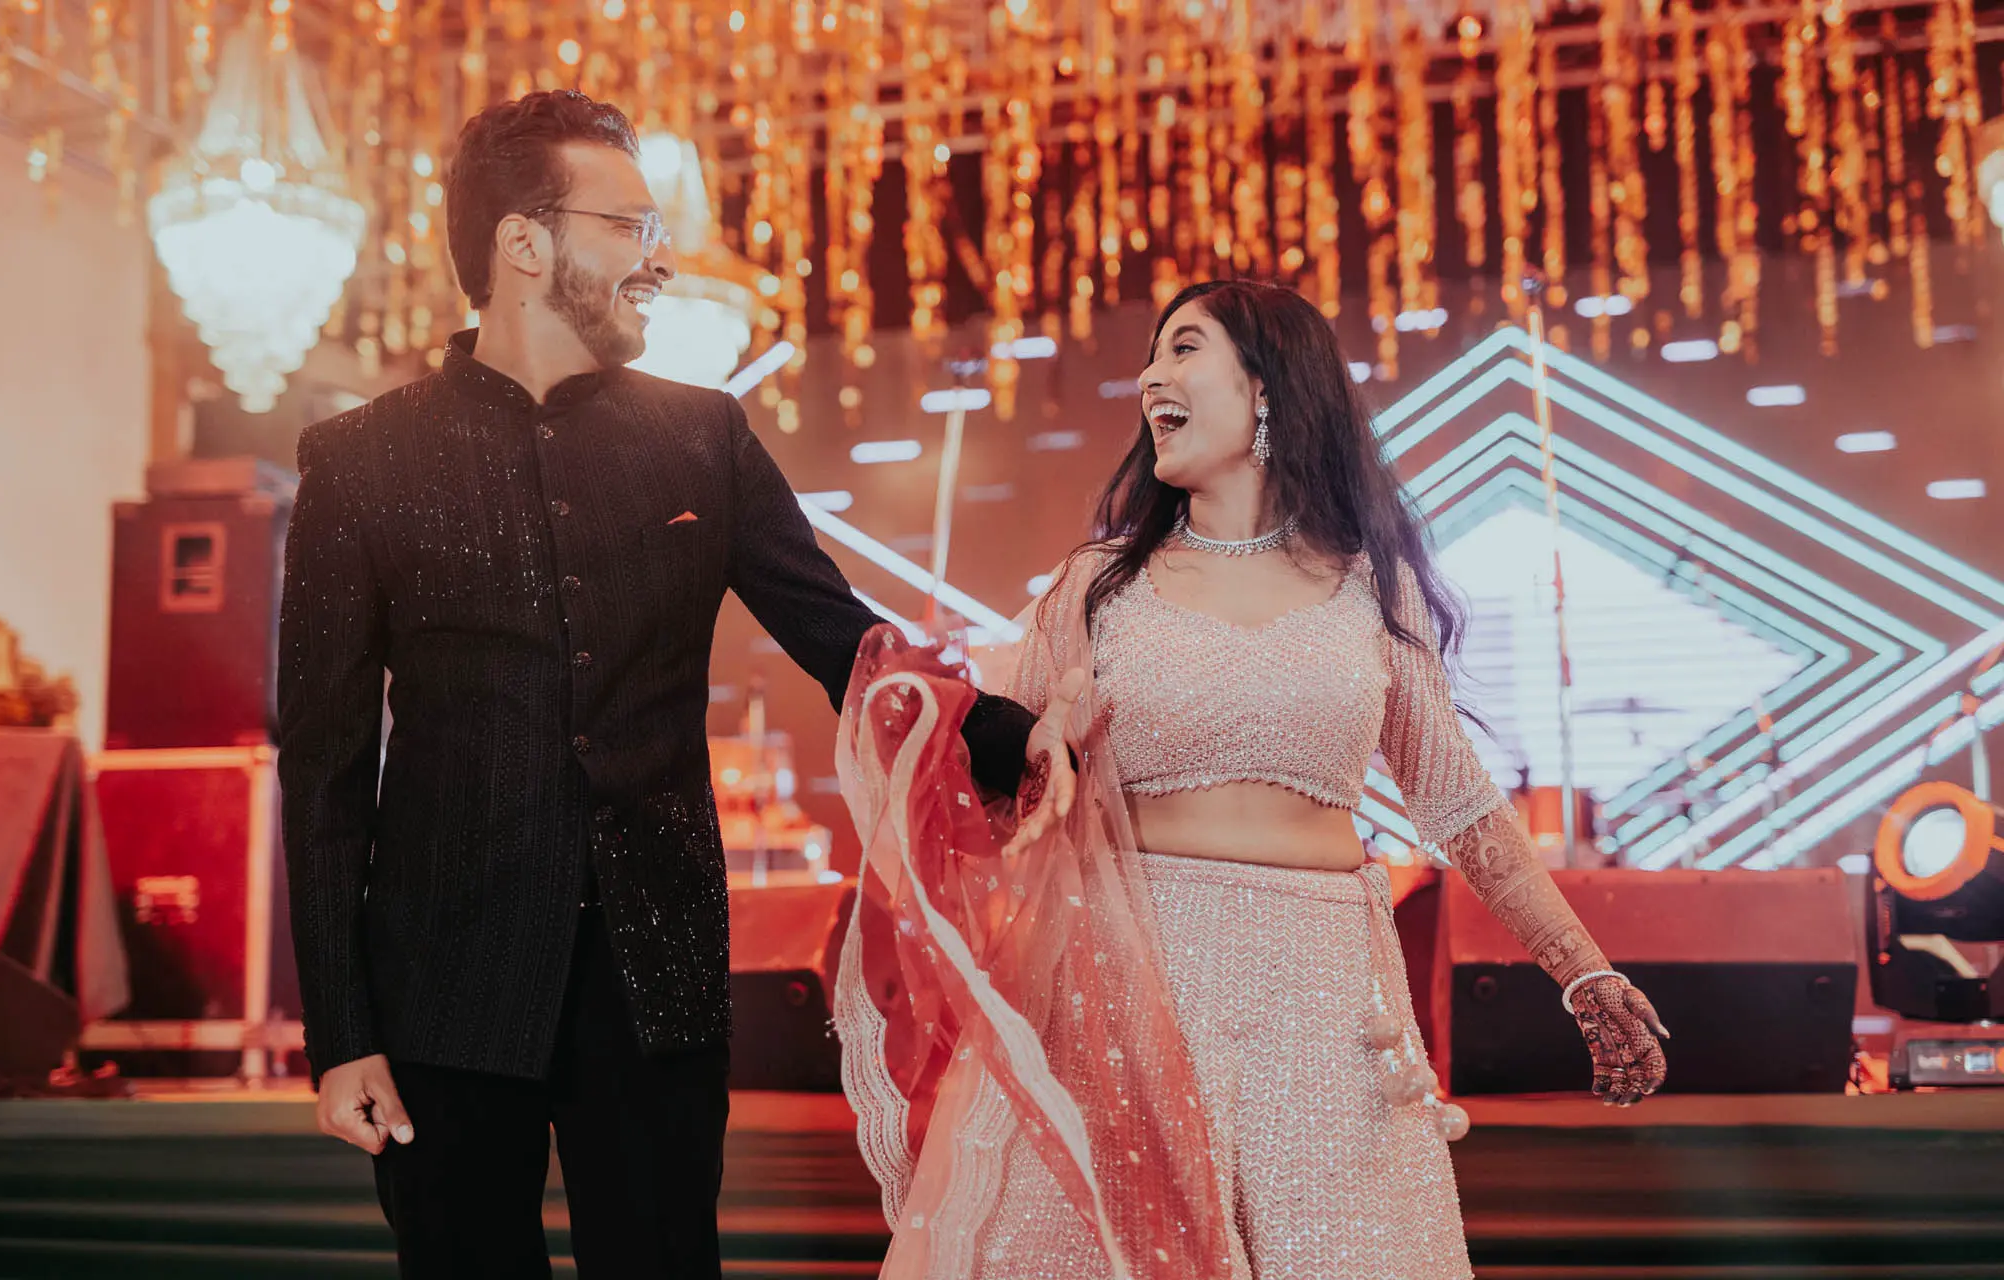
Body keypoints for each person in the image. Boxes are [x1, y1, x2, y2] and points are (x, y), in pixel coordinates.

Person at [276, 90, 1075, 1280]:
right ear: (523, 242)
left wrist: (1014, 738)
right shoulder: (359, 460)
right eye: (628, 227)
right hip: (438, 984)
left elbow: (840, 637)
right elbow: (323, 769)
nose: (658, 258)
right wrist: (340, 1032)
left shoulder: (703, 437)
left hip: (656, 975)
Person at [830, 279, 1668, 1280]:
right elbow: (1015, 799)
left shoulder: (1372, 586)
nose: (1151, 377)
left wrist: (1580, 967)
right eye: (1151, 355)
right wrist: (1023, 751)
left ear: (1266, 385)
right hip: (1129, 994)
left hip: (1324, 1009)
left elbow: (1459, 805)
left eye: (1183, 348)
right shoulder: (1095, 587)